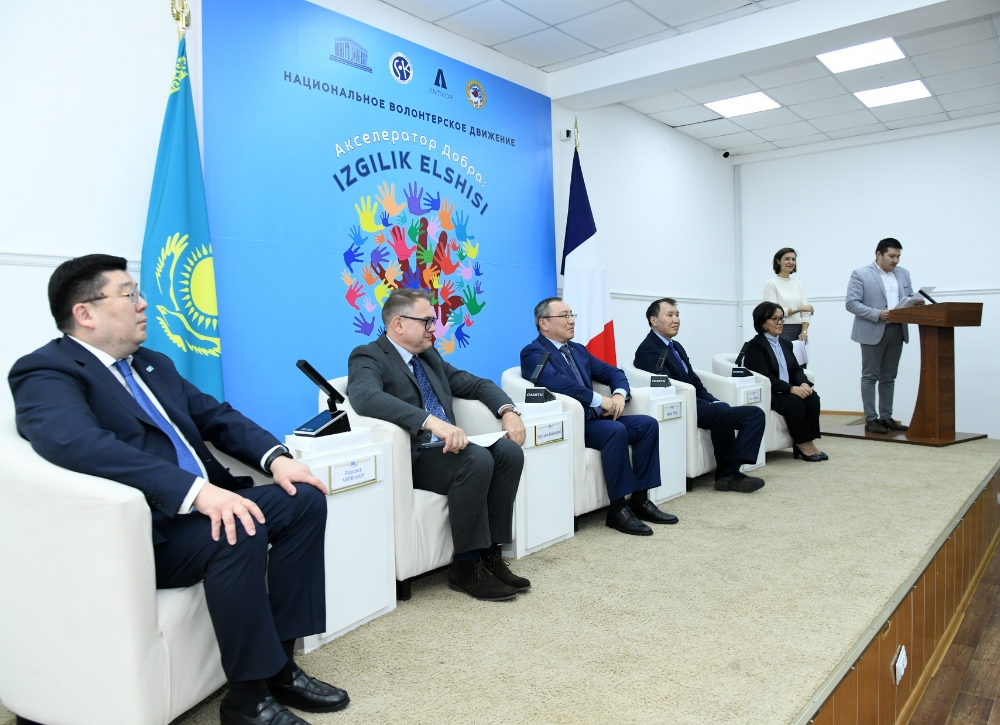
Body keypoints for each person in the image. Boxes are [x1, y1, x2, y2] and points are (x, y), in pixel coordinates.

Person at [8, 255, 346, 725]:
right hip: (149, 529)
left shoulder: (152, 363)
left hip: (203, 505)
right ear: (85, 313)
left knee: (303, 499)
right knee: (238, 528)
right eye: (129, 295)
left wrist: (277, 458)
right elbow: (76, 442)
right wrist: (194, 491)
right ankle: (247, 701)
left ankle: (280, 666)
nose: (143, 304)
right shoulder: (46, 370)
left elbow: (216, 417)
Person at [347, 289, 529, 602]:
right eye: (427, 321)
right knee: (476, 460)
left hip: (450, 450)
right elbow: (365, 397)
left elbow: (477, 384)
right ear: (399, 324)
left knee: (509, 452)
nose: (435, 328)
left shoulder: (429, 357)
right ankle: (466, 566)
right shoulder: (368, 355)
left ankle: (490, 555)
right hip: (414, 457)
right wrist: (430, 421)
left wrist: (508, 411)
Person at [520, 297, 678, 536]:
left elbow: (613, 372)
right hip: (574, 424)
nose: (572, 321)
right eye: (564, 316)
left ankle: (640, 500)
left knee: (647, 425)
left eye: (572, 315)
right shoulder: (533, 352)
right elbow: (556, 382)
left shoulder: (577, 350)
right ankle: (617, 509)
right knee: (615, 430)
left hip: (597, 419)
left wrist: (618, 395)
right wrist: (598, 399)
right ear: (544, 323)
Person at [633, 298, 766, 493]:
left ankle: (734, 466)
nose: (676, 319)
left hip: (698, 402)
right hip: (679, 408)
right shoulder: (648, 349)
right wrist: (713, 406)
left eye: (677, 315)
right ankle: (728, 475)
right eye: (669, 315)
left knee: (754, 414)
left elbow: (695, 383)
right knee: (721, 411)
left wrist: (714, 401)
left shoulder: (676, 346)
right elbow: (668, 388)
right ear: (654, 320)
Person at [845, 238, 919, 434]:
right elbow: (851, 303)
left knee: (889, 377)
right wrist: (878, 314)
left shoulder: (903, 273)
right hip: (873, 329)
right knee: (870, 376)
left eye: (898, 257)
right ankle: (871, 419)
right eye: (891, 256)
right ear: (879, 254)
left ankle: (886, 417)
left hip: (897, 330)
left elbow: (909, 296)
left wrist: (916, 303)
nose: (895, 260)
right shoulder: (861, 274)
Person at [741, 302, 826, 461]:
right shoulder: (755, 346)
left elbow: (796, 369)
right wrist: (791, 389)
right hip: (772, 392)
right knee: (794, 402)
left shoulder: (785, 343)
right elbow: (765, 378)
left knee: (812, 397)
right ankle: (801, 443)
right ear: (762, 323)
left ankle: (809, 440)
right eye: (775, 319)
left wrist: (803, 384)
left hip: (788, 389)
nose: (780, 323)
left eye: (781, 318)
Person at [763, 247, 813, 344]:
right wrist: (799, 308)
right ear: (778, 261)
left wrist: (804, 331)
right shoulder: (771, 284)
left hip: (800, 331)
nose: (791, 262)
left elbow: (806, 311)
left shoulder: (797, 283)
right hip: (781, 329)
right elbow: (774, 312)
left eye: (793, 259)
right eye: (787, 259)